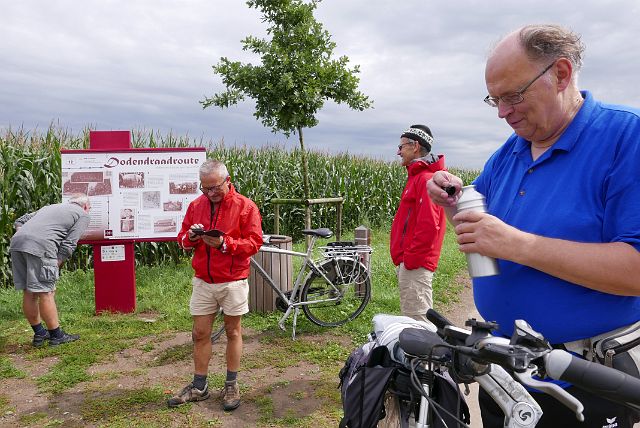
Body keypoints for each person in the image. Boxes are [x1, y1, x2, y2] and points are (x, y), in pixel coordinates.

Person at [427, 24, 640, 428]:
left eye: (513, 95)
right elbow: (480, 229)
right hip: (504, 370)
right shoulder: (510, 152)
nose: (504, 112)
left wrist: (518, 245)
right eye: (495, 100)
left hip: (584, 379)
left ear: (561, 73)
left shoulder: (627, 137)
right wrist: (453, 201)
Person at [168, 159, 262, 411]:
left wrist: (224, 244)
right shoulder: (196, 205)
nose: (210, 193)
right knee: (199, 333)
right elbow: (182, 237)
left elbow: (254, 243)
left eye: (215, 188)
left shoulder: (246, 207)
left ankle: (231, 383)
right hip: (203, 281)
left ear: (227, 181)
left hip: (233, 280)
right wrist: (189, 238)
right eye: (205, 188)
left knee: (233, 332)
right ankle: (199, 386)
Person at [9, 193, 91, 347]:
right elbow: (70, 243)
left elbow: (19, 221)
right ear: (86, 206)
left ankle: (40, 334)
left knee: (29, 291)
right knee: (46, 292)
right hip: (41, 247)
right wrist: (57, 262)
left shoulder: (51, 207)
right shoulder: (83, 215)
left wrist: (24, 235)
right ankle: (57, 335)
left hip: (17, 243)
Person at [390, 124, 447, 323]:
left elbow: (430, 225)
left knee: (418, 322)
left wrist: (411, 260)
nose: (398, 151)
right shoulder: (417, 178)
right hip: (411, 263)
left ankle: (427, 356)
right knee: (414, 318)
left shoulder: (425, 180)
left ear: (415, 146)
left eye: (402, 146)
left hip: (415, 265)